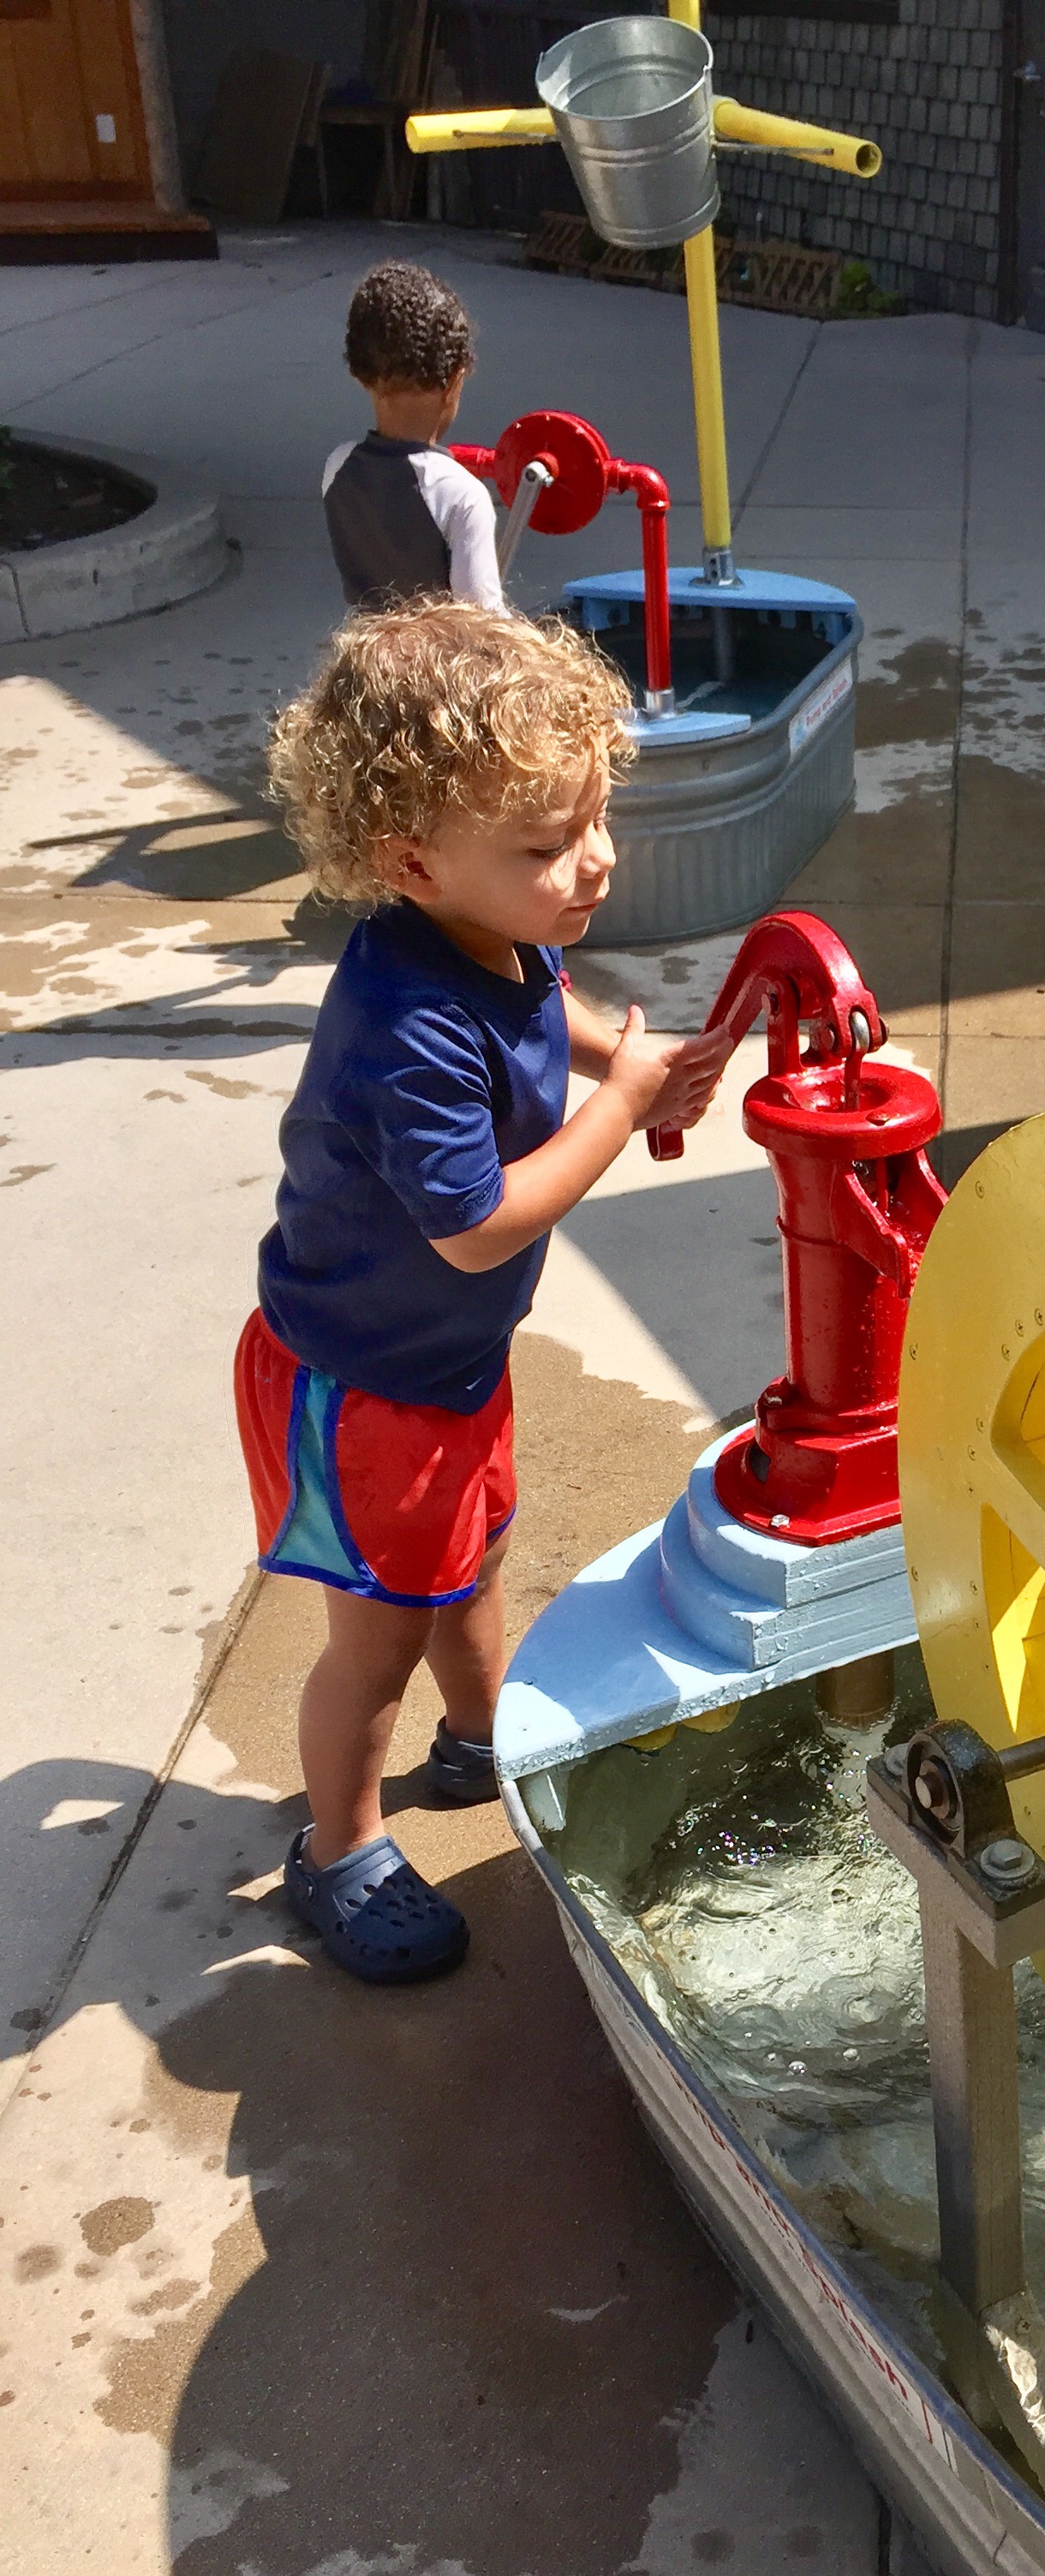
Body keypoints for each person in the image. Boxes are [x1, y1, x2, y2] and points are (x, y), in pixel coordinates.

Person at [237, 597, 731, 1981]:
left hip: (444, 1365)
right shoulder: (404, 1026)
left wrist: (622, 1052)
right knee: (373, 1642)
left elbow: (541, 1001)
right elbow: (475, 1224)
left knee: (475, 1558)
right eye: (549, 844)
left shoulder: (490, 926)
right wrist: (622, 1108)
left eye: (596, 817)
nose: (594, 860)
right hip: (363, 1385)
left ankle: (479, 1736)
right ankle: (338, 1849)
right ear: (412, 861)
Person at [323, 258, 502, 611]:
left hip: (364, 645)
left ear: (360, 375)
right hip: (437, 650)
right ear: (455, 381)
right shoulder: (462, 497)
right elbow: (481, 620)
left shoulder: (337, 469)